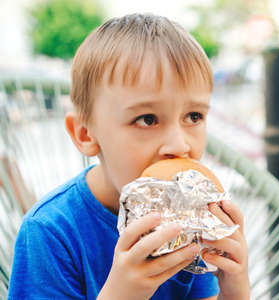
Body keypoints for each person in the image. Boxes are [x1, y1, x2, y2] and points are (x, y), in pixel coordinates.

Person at [8, 13, 250, 300]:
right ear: (86, 134)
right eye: (147, 119)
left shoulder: (189, 220)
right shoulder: (50, 233)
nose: (178, 144)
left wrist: (235, 289)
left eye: (194, 116)